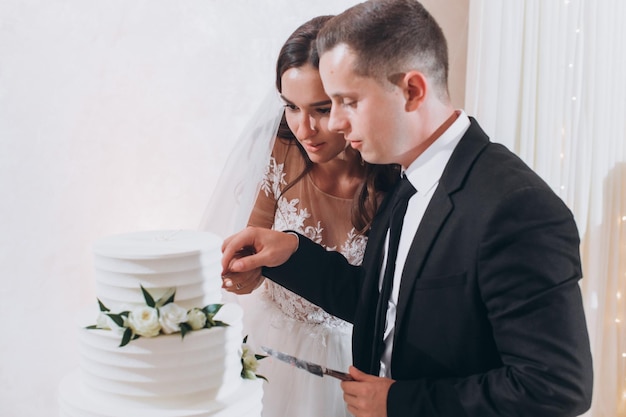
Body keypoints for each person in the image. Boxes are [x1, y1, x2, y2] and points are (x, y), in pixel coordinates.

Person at [222, 1, 593, 417]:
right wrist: (291, 252)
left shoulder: (516, 209)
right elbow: (382, 301)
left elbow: (555, 387)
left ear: (413, 91)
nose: (338, 124)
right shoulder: (408, 176)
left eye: (347, 102)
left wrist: (400, 402)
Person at [223, 15, 399, 417]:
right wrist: (242, 273)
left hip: (354, 361)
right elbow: (252, 249)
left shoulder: (393, 176)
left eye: (321, 109)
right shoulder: (277, 151)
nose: (305, 129)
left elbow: (389, 299)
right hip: (272, 344)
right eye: (291, 107)